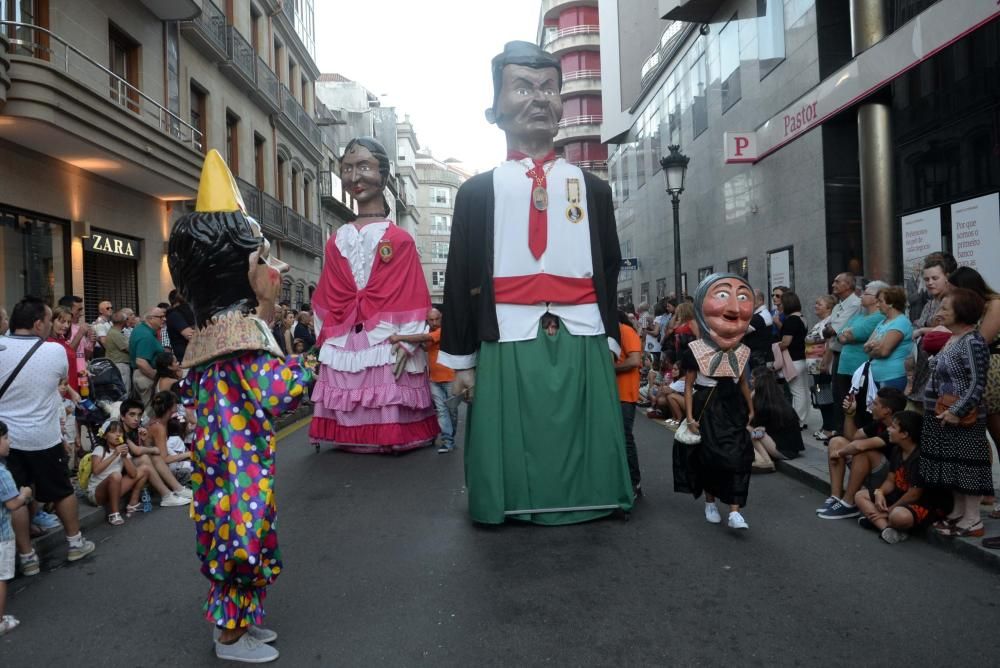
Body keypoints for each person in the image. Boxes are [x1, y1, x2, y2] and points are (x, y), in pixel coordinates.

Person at [439, 41, 632, 525]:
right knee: (512, 428)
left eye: (549, 88)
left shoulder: (593, 189)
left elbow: (608, 268)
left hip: (582, 327)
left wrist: (609, 335)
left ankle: (593, 497)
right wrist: (461, 361)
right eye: (523, 87)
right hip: (505, 331)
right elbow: (461, 277)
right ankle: (510, 503)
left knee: (580, 426)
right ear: (495, 109)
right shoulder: (476, 192)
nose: (539, 98)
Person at [168, 149, 313, 662]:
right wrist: (314, 361)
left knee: (230, 537)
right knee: (245, 540)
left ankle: (240, 624)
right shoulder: (242, 337)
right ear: (242, 269)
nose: (275, 267)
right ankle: (230, 636)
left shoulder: (210, 336)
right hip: (241, 466)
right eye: (263, 258)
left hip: (221, 465)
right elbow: (283, 389)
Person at [309, 137, 438, 454]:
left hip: (386, 335)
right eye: (348, 169)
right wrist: (325, 335)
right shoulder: (337, 239)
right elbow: (328, 294)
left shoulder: (401, 239)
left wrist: (409, 339)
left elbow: (412, 294)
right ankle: (353, 433)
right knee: (354, 381)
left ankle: (390, 432)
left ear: (383, 174)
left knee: (388, 384)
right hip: (348, 331)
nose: (355, 177)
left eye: (364, 167)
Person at [0, 297, 96, 575]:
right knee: (62, 490)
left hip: (7, 440)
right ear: (38, 323)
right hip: (43, 436)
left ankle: (27, 556)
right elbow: (60, 383)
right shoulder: (54, 351)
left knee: (16, 495)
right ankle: (75, 542)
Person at [675, 273, 755, 530]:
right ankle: (710, 502)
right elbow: (688, 386)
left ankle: (734, 510)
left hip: (732, 407)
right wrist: (689, 417)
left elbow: (742, 382)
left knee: (739, 456)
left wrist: (751, 409)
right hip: (706, 406)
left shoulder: (741, 351)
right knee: (710, 457)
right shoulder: (695, 350)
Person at [919, 288, 992, 538]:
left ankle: (973, 520)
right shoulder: (953, 338)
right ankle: (958, 513)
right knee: (954, 468)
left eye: (945, 309)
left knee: (969, 468)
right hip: (942, 413)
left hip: (962, 418)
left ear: (961, 313)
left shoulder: (973, 341)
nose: (939, 313)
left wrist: (957, 411)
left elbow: (977, 382)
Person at [817, 386, 906, 519]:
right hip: (874, 471)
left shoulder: (895, 429)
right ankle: (835, 497)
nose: (871, 405)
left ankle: (849, 503)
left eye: (875, 403)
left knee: (863, 452)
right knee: (836, 442)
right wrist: (849, 414)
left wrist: (839, 454)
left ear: (887, 410)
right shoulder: (879, 422)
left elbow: (860, 446)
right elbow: (853, 436)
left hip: (889, 481)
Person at [854, 410, 939, 544]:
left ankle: (880, 521)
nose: (888, 429)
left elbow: (914, 495)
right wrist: (880, 492)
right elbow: (890, 479)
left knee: (898, 516)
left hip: (919, 504)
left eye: (893, 427)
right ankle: (887, 529)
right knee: (860, 496)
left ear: (905, 434)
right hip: (898, 496)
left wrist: (888, 511)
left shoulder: (921, 457)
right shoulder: (897, 449)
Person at [907, 252, 958, 405]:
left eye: (935, 278)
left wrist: (923, 330)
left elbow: (952, 330)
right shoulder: (929, 303)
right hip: (921, 372)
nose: (930, 283)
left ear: (947, 277)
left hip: (941, 375)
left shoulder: (954, 302)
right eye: (927, 279)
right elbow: (917, 326)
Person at [118, 398, 190, 507]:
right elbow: (136, 451)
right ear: (122, 417)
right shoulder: (119, 429)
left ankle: (177, 490)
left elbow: (141, 450)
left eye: (138, 415)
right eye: (131, 415)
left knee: (152, 456)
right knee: (147, 457)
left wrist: (143, 439)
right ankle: (167, 495)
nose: (136, 419)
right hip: (117, 469)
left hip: (129, 465)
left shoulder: (135, 429)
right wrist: (153, 449)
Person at [0, 419, 33, 636]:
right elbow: (12, 503)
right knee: (1, 578)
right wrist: (25, 494)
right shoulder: (2, 472)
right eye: (4, 437)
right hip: (1, 536)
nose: (9, 441)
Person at [86, 420, 149, 525]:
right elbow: (96, 470)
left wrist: (124, 457)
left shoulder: (123, 450)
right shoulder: (99, 449)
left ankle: (132, 504)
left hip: (115, 489)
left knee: (145, 469)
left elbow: (133, 475)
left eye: (120, 432)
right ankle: (114, 513)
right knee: (116, 475)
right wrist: (115, 454)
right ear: (105, 436)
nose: (118, 434)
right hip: (97, 493)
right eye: (113, 432)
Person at [821, 272, 862, 429]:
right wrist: (830, 330)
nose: (833, 285)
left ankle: (846, 430)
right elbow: (826, 330)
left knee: (845, 394)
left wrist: (831, 330)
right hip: (836, 353)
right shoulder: (838, 306)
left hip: (849, 353)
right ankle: (839, 430)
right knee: (837, 394)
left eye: (837, 282)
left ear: (848, 285)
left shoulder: (855, 304)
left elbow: (833, 330)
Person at [749, 368, 804, 471]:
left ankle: (765, 461)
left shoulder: (764, 405)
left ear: (759, 382)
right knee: (754, 431)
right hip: (790, 449)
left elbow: (749, 422)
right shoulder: (776, 399)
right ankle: (764, 460)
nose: (750, 381)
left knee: (749, 431)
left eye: (752, 378)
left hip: (783, 450)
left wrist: (751, 397)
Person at [615, 309, 643, 497]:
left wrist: (609, 367)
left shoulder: (625, 330)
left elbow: (634, 360)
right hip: (615, 394)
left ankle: (635, 482)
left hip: (625, 394)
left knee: (625, 438)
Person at [862, 286, 913, 391]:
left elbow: (884, 351)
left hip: (893, 377)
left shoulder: (900, 322)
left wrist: (873, 349)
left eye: (880, 301)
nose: (877, 305)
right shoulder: (883, 321)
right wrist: (873, 347)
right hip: (877, 377)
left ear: (891, 303)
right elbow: (866, 347)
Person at [425, 308, 458, 454]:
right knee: (441, 411)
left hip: (450, 377)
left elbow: (423, 342)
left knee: (452, 411)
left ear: (441, 318)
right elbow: (424, 347)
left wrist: (400, 338)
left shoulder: (444, 331)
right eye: (431, 320)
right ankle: (448, 440)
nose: (434, 322)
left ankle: (450, 436)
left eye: (436, 319)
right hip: (434, 379)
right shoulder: (427, 333)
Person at [777, 291, 810, 429]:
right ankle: (803, 419)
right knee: (802, 390)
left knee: (796, 391)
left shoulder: (791, 320)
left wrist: (774, 345)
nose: (779, 306)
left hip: (793, 360)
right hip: (801, 359)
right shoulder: (802, 318)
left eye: (781, 303)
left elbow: (786, 342)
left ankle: (796, 421)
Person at [805, 295, 836, 440]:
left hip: (822, 369)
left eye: (819, 303)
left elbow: (829, 343)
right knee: (819, 395)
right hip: (815, 370)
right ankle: (826, 425)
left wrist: (824, 362)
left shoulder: (829, 322)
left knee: (824, 396)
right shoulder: (820, 323)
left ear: (829, 307)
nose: (816, 305)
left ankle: (830, 428)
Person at [146, 391, 192, 485]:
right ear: (171, 406)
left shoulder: (163, 421)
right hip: (156, 468)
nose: (178, 406)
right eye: (176, 403)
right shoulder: (159, 427)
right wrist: (188, 454)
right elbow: (164, 459)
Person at [129, 307, 166, 407]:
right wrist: (156, 378)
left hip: (142, 376)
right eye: (161, 317)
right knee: (151, 411)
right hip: (146, 377)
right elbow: (141, 362)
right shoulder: (146, 335)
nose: (164, 319)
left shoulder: (142, 330)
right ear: (150, 319)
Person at [48, 306, 81, 393]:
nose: (66, 325)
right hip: (61, 393)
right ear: (51, 321)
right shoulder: (48, 343)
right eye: (62, 321)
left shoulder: (62, 339)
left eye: (69, 322)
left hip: (72, 390)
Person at [743, 289, 774, 372]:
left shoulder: (760, 316)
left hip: (760, 357)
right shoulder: (762, 314)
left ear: (760, 300)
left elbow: (741, 332)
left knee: (760, 382)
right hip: (761, 356)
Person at [104, 309, 133, 394]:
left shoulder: (114, 332)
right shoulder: (116, 333)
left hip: (118, 365)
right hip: (120, 365)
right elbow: (128, 348)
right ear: (123, 321)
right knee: (124, 391)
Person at [166, 289, 196, 364]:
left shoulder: (182, 314)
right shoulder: (174, 315)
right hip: (185, 359)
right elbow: (189, 335)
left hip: (192, 358)